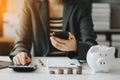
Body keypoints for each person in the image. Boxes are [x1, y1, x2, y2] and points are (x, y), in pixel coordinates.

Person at [9, 0, 98, 65]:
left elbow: (91, 45)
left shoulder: (82, 4)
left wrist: (76, 47)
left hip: (73, 67)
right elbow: (21, 42)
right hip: (42, 67)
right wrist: (21, 53)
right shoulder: (30, 3)